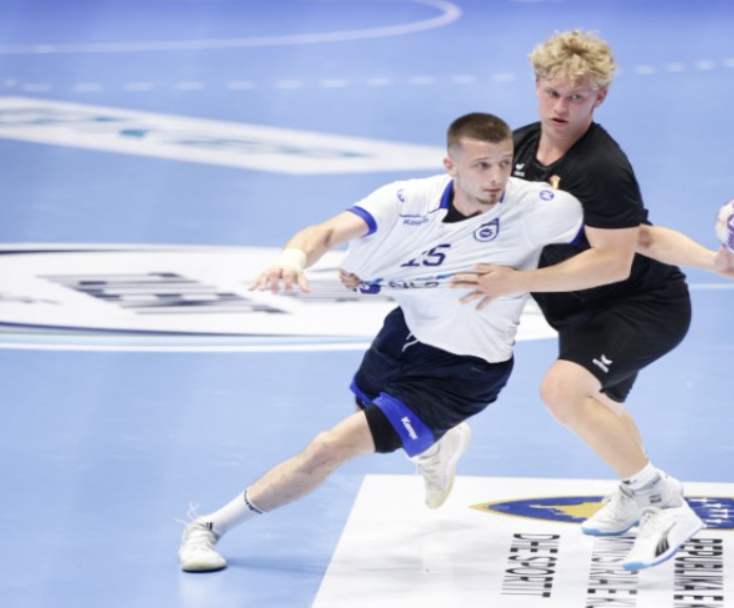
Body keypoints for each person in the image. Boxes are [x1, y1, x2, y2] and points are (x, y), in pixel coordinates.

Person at [177, 112, 587, 572]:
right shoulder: (407, 199)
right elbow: (326, 233)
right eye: (481, 165)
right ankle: (436, 445)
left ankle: (207, 527)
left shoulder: (539, 209)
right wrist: (293, 260)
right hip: (405, 333)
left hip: (463, 371)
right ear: (450, 165)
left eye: (504, 163)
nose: (496, 177)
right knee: (365, 408)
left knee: (328, 448)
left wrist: (525, 281)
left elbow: (618, 247)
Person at [450, 30, 734, 571]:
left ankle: (665, 504)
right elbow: (642, 233)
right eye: (553, 92)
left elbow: (617, 259)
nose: (561, 107)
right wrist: (714, 260)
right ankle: (634, 492)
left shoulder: (601, 167)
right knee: (602, 410)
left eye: (577, 97)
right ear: (536, 86)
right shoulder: (520, 148)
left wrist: (515, 281)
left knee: (562, 391)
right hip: (579, 308)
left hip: (642, 305)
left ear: (600, 97)